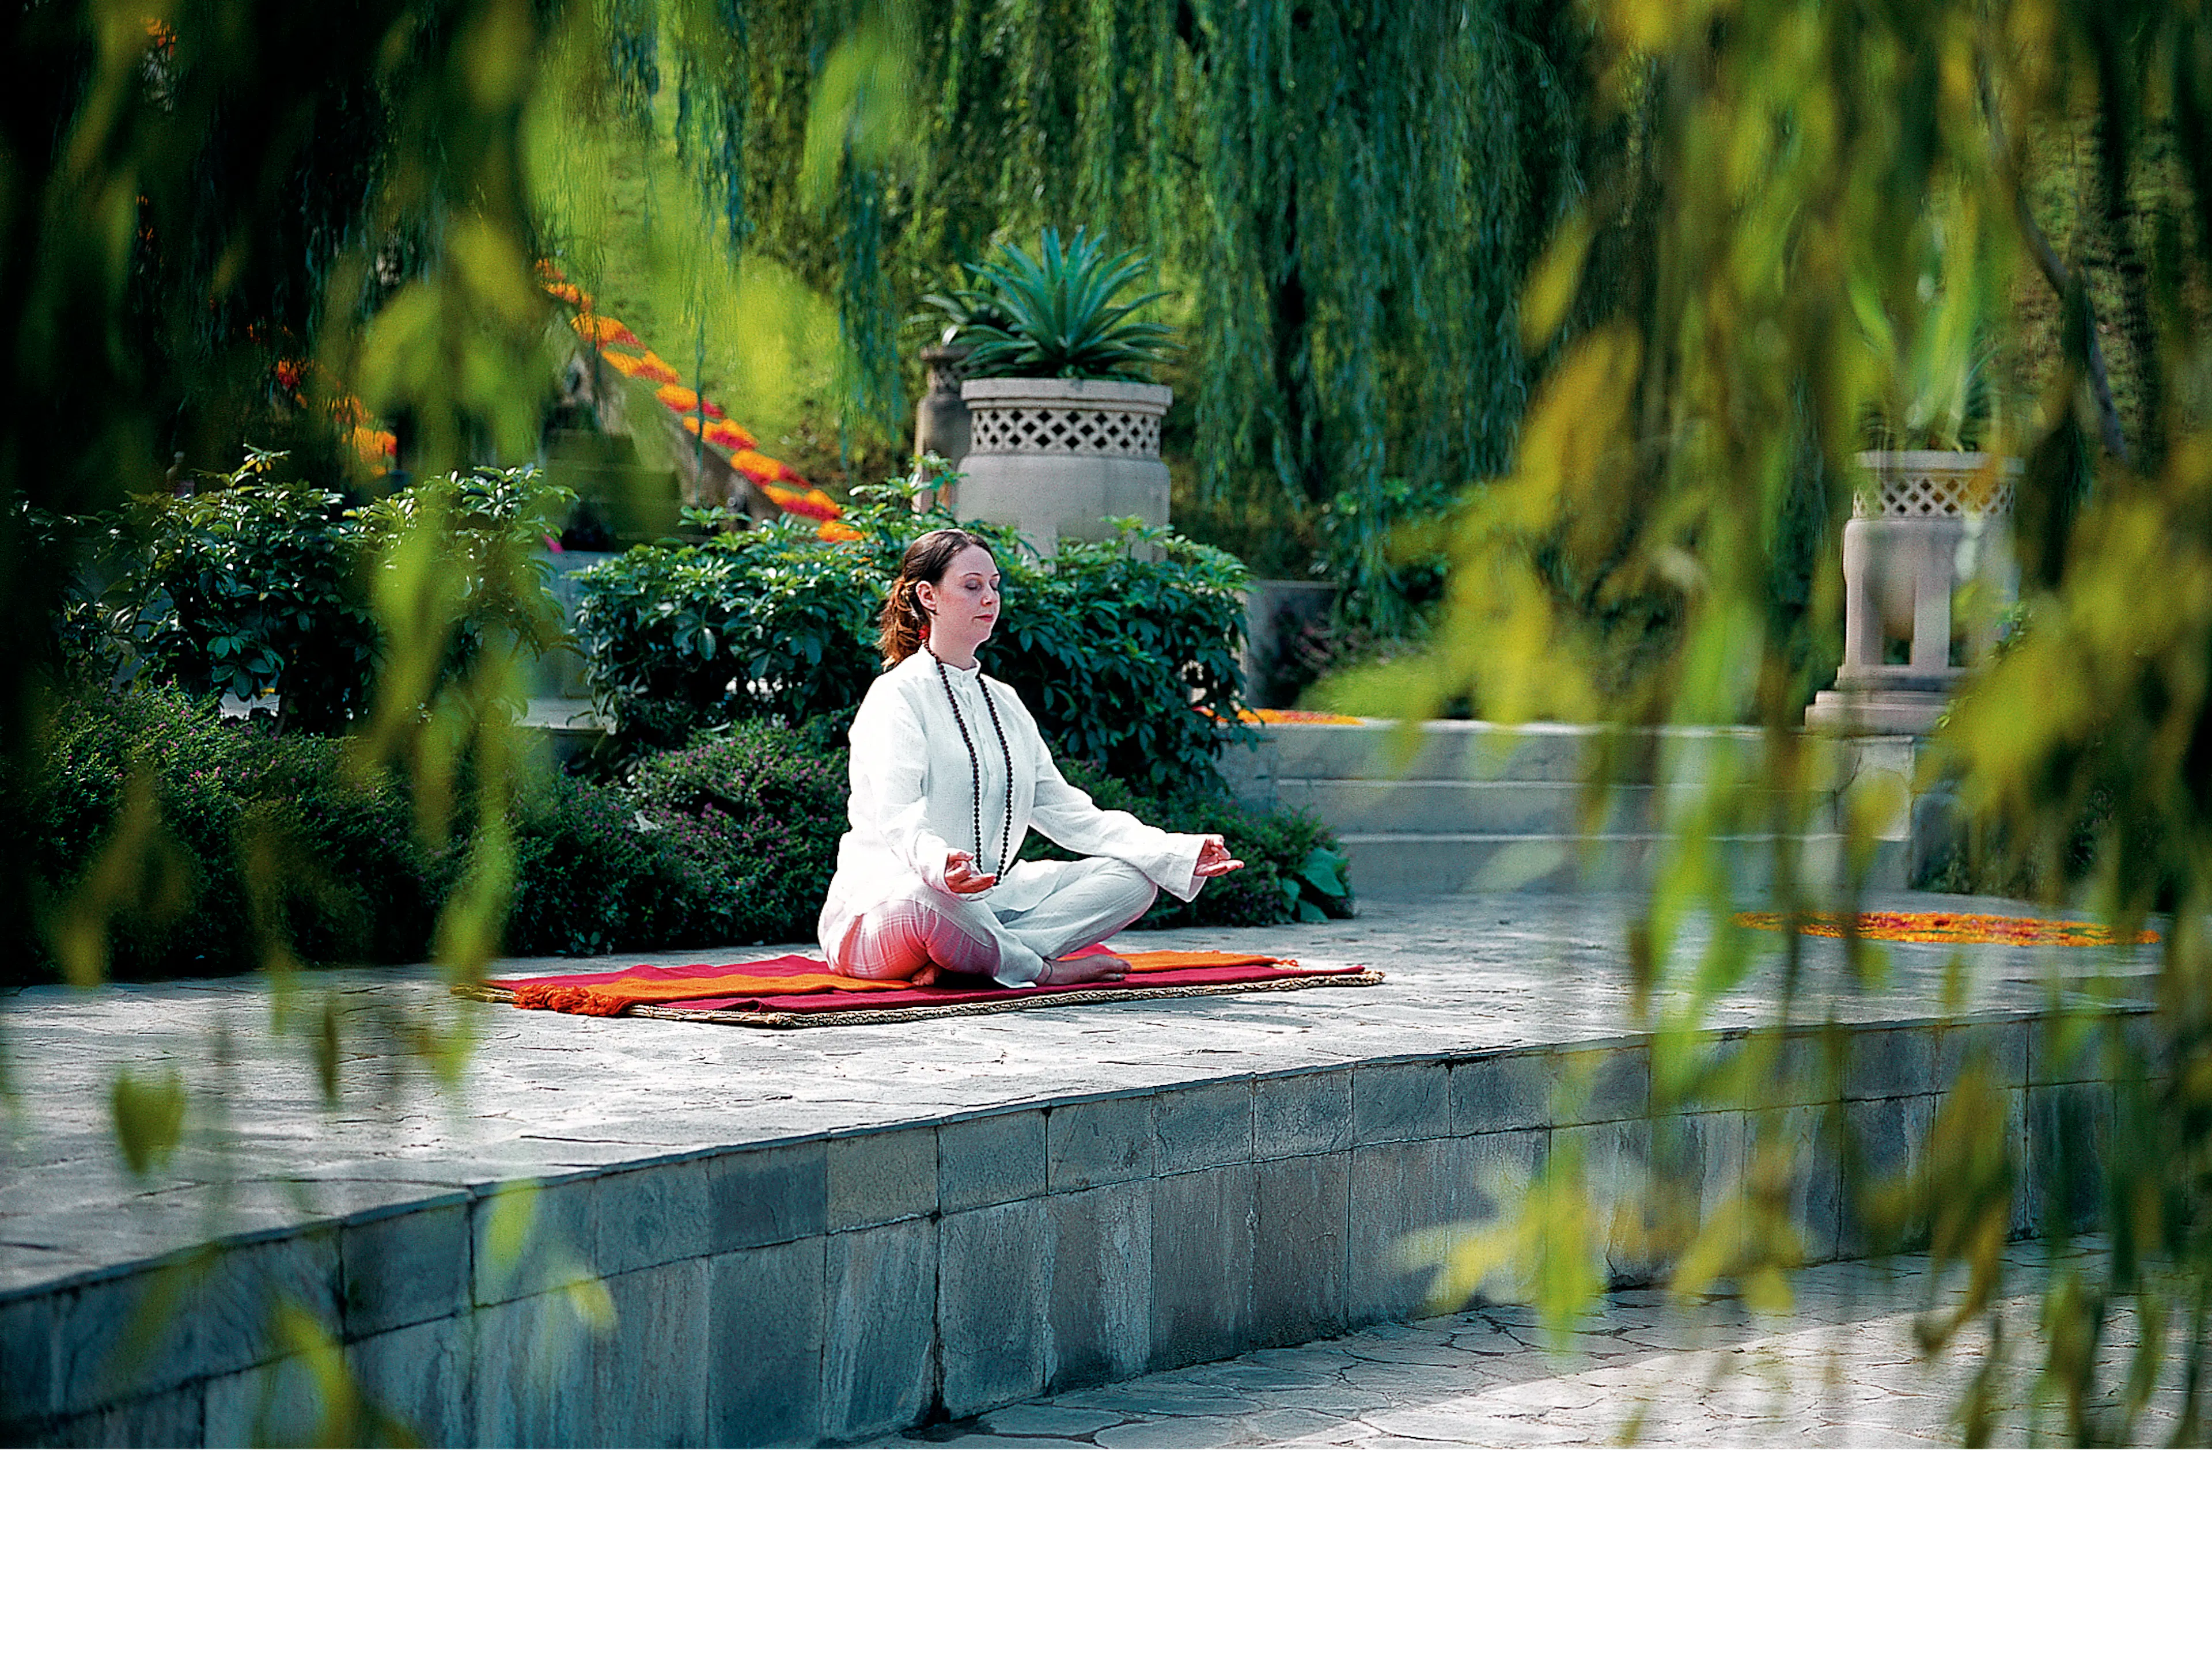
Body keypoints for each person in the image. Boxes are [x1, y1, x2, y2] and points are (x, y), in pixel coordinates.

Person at [819, 526, 1244, 988]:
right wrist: (942, 865)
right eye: (972, 586)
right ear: (928, 596)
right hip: (888, 906)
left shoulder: (1004, 703)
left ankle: (970, 957)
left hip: (988, 905)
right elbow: (898, 815)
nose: (990, 599)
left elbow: (1069, 812)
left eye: (995, 586)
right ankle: (1038, 969)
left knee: (1134, 880)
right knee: (933, 898)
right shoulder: (896, 695)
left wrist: (1173, 851)